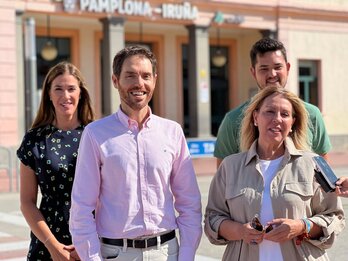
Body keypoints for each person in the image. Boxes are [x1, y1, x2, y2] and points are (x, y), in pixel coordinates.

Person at [69, 45, 202, 261]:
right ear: (115, 80)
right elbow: (82, 207)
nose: (139, 83)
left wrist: (186, 256)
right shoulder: (95, 134)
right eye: (130, 75)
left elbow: (189, 203)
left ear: (154, 80)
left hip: (166, 252)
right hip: (116, 254)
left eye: (145, 76)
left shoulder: (173, 132)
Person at [204, 87, 345, 261]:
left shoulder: (314, 164)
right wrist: (240, 231)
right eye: (269, 112)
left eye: (285, 114)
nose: (277, 119)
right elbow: (213, 218)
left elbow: (334, 217)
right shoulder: (230, 166)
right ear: (256, 118)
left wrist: (302, 226)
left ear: (293, 122)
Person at [17, 61, 95, 260]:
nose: (65, 95)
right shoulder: (34, 139)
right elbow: (27, 202)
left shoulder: (96, 135)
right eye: (58, 89)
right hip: (47, 243)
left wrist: (86, 244)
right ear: (49, 95)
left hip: (91, 241)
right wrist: (52, 245)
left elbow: (109, 197)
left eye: (71, 89)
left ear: (80, 94)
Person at [214, 37, 332, 167]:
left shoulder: (312, 114)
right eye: (264, 69)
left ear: (287, 68)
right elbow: (223, 176)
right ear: (253, 72)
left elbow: (324, 170)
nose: (272, 74)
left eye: (278, 67)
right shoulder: (233, 120)